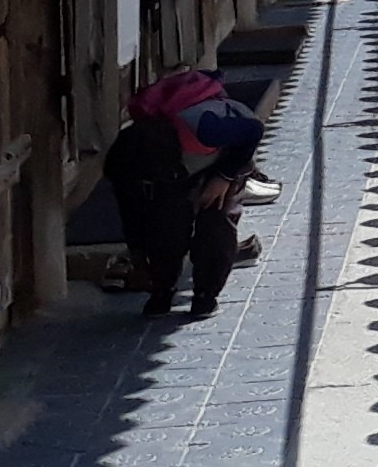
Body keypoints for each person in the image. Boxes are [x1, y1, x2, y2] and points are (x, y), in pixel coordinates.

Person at [101, 73, 267, 317]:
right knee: (166, 226)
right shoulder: (124, 164)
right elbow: (133, 214)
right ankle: (162, 291)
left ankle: (205, 295)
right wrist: (138, 254)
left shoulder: (204, 125)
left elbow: (253, 131)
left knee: (215, 222)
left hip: (227, 155)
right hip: (177, 170)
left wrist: (223, 177)